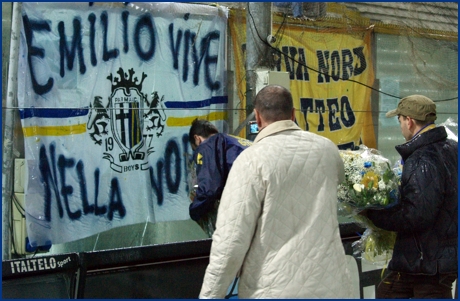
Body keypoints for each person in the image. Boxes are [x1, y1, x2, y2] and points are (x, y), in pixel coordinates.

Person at [199, 85, 353, 298]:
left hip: (274, 290)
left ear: (257, 117)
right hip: (331, 287)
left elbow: (230, 243)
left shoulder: (251, 161)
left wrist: (209, 296)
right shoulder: (327, 149)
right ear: (293, 114)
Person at [363, 95, 458, 298]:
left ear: (409, 121)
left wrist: (373, 214)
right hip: (438, 257)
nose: (401, 127)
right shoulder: (452, 148)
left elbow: (416, 214)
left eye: (400, 121)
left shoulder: (422, 157)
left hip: (425, 261)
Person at [188, 118, 251, 237]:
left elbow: (209, 189)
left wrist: (194, 210)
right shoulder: (236, 141)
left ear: (197, 139)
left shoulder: (207, 146)